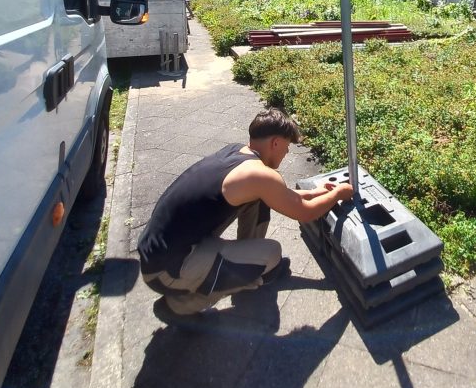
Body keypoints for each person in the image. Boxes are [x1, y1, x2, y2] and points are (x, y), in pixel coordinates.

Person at [137, 108, 353, 325]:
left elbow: (284, 196)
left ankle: (250, 262)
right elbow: (305, 213)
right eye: (287, 148)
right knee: (272, 252)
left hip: (158, 250)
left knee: (259, 201)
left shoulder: (239, 154)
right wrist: (337, 195)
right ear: (276, 143)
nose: (286, 154)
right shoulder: (262, 175)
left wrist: (320, 192)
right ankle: (177, 308)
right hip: (167, 270)